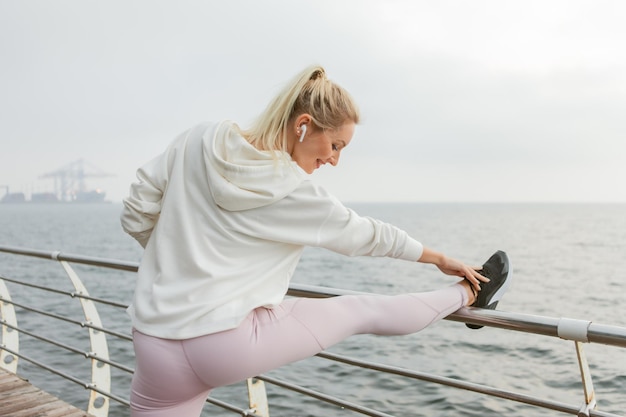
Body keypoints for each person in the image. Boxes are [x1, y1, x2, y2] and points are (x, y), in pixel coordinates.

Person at [121, 65, 512, 417]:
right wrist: (440, 258)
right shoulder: (294, 191)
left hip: (156, 344)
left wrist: (178, 260)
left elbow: (137, 208)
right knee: (363, 311)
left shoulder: (197, 139)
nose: (335, 160)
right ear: (303, 124)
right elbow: (369, 236)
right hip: (226, 345)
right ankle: (468, 293)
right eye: (336, 146)